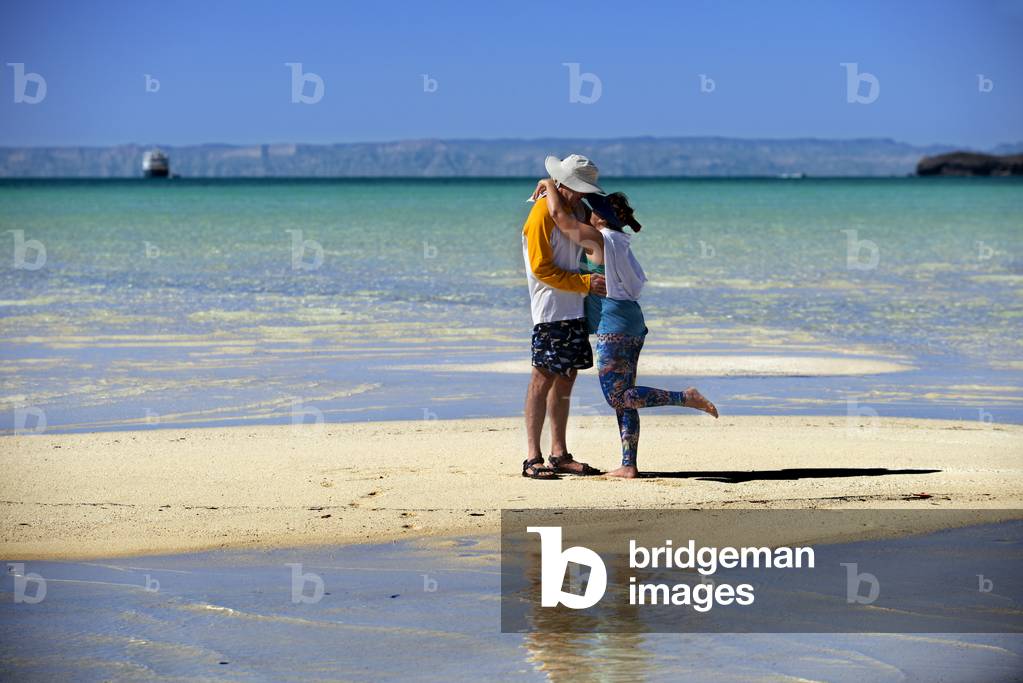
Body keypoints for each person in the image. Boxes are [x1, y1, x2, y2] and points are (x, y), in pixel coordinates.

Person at [532, 178, 719, 479]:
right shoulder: (620, 240)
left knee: (618, 397)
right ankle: (628, 464)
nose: (586, 214)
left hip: (614, 325)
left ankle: (685, 397)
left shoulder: (597, 239)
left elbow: (559, 217)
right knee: (626, 393)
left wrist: (548, 184)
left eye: (591, 210)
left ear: (602, 218)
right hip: (632, 322)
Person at [520, 155, 607, 480]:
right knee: (541, 379)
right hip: (549, 311)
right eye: (578, 189)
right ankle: (532, 457)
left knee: (567, 378)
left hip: (574, 309)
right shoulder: (542, 212)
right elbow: (541, 268)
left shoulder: (574, 209)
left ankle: (559, 453)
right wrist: (584, 283)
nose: (583, 196)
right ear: (564, 184)